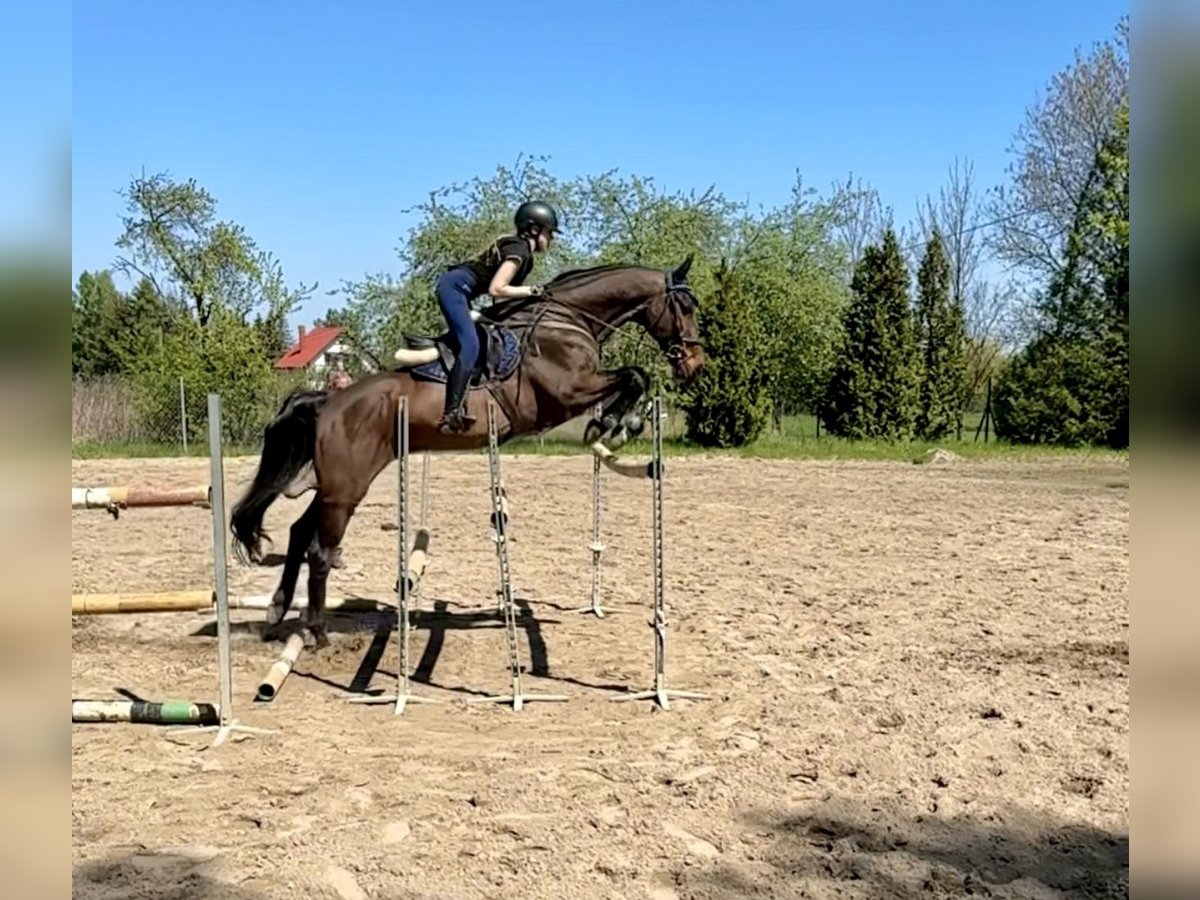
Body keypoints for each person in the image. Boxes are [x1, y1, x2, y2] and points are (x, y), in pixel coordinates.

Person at [434, 200, 559, 433]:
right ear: (533, 229)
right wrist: (532, 291)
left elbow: (502, 299)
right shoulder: (519, 250)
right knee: (470, 346)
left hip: (462, 292)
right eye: (549, 232)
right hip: (454, 289)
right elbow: (497, 289)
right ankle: (450, 413)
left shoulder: (523, 255)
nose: (551, 238)